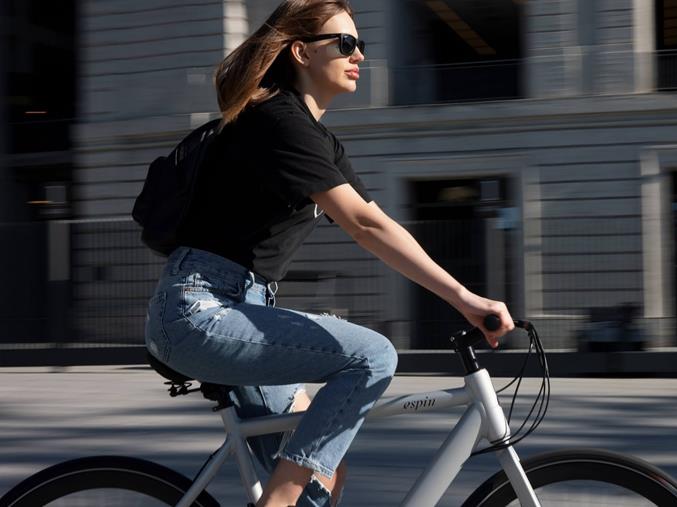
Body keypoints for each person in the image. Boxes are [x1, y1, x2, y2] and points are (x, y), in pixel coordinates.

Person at [143, 1, 515, 505]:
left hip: (241, 308)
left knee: (322, 484)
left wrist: (462, 296)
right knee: (372, 355)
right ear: (300, 52)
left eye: (361, 44)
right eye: (344, 43)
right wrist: (466, 298)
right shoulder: (275, 119)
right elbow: (363, 226)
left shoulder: (315, 138)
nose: (358, 53)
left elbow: (380, 222)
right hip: (201, 309)